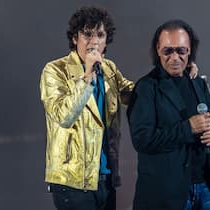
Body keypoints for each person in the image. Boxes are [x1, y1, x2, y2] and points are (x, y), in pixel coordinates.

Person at [39, 6, 134, 210]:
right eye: (87, 34)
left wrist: (173, 73)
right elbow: (64, 116)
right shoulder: (55, 70)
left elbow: (134, 94)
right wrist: (88, 75)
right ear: (75, 38)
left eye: (100, 35)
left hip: (106, 177)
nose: (94, 42)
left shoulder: (109, 69)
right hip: (72, 182)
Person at [127, 20, 210, 210]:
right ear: (157, 50)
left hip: (204, 185)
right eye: (167, 51)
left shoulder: (198, 83)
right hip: (166, 193)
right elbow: (142, 139)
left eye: (181, 51)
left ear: (190, 51)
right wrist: (188, 128)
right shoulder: (147, 88)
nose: (174, 58)